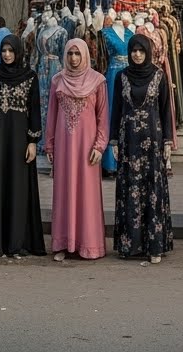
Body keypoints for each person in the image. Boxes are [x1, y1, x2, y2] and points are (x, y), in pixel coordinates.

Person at [0, 36, 47, 257]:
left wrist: (33, 141)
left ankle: (17, 242)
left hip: (19, 142)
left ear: (18, 51)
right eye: (4, 50)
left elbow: (34, 111)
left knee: (19, 188)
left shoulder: (30, 77)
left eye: (10, 50)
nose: (7, 54)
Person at [111, 36, 174, 263]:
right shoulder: (121, 77)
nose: (137, 54)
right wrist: (113, 142)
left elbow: (166, 110)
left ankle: (154, 246)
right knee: (130, 189)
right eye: (133, 51)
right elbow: (116, 109)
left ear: (147, 52)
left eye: (141, 50)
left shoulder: (159, 76)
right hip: (128, 143)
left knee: (152, 190)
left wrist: (168, 142)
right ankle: (130, 245)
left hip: (152, 143)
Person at [45, 38, 108, 261]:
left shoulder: (97, 81)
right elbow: (51, 115)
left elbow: (103, 117)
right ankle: (63, 244)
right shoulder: (57, 80)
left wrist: (100, 145)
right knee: (64, 192)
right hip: (64, 148)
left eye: (77, 54)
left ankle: (88, 245)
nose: (73, 58)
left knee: (87, 194)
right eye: (70, 54)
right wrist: (49, 144)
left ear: (85, 55)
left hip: (87, 149)